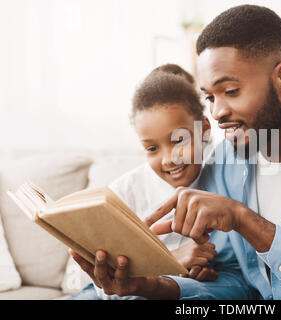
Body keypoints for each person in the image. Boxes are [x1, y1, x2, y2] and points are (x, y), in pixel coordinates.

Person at [74, 5, 281, 300]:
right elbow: (240, 285)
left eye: (231, 91)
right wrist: (153, 287)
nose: (217, 112)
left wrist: (246, 220)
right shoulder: (225, 165)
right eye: (209, 97)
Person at [69, 64, 245, 299]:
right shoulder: (123, 193)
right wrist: (172, 263)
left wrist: (199, 275)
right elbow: (106, 286)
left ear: (203, 129)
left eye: (178, 140)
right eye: (152, 148)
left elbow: (239, 279)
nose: (169, 159)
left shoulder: (226, 180)